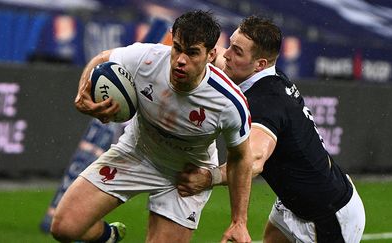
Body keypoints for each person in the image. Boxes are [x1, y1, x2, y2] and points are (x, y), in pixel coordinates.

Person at [50, 10, 254, 243]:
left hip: (185, 174)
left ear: (211, 55)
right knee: (63, 229)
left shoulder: (229, 101)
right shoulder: (147, 58)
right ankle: (108, 237)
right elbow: (103, 59)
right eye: (177, 48)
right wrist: (82, 94)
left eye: (192, 53)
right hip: (135, 152)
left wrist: (239, 222)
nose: (180, 60)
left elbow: (241, 158)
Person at [177, 16, 366, 243]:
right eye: (230, 45)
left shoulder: (266, 101)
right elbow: (218, 62)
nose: (226, 54)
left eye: (237, 51)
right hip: (293, 203)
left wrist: (208, 178)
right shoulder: (265, 77)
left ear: (260, 64)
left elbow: (253, 161)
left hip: (327, 214)